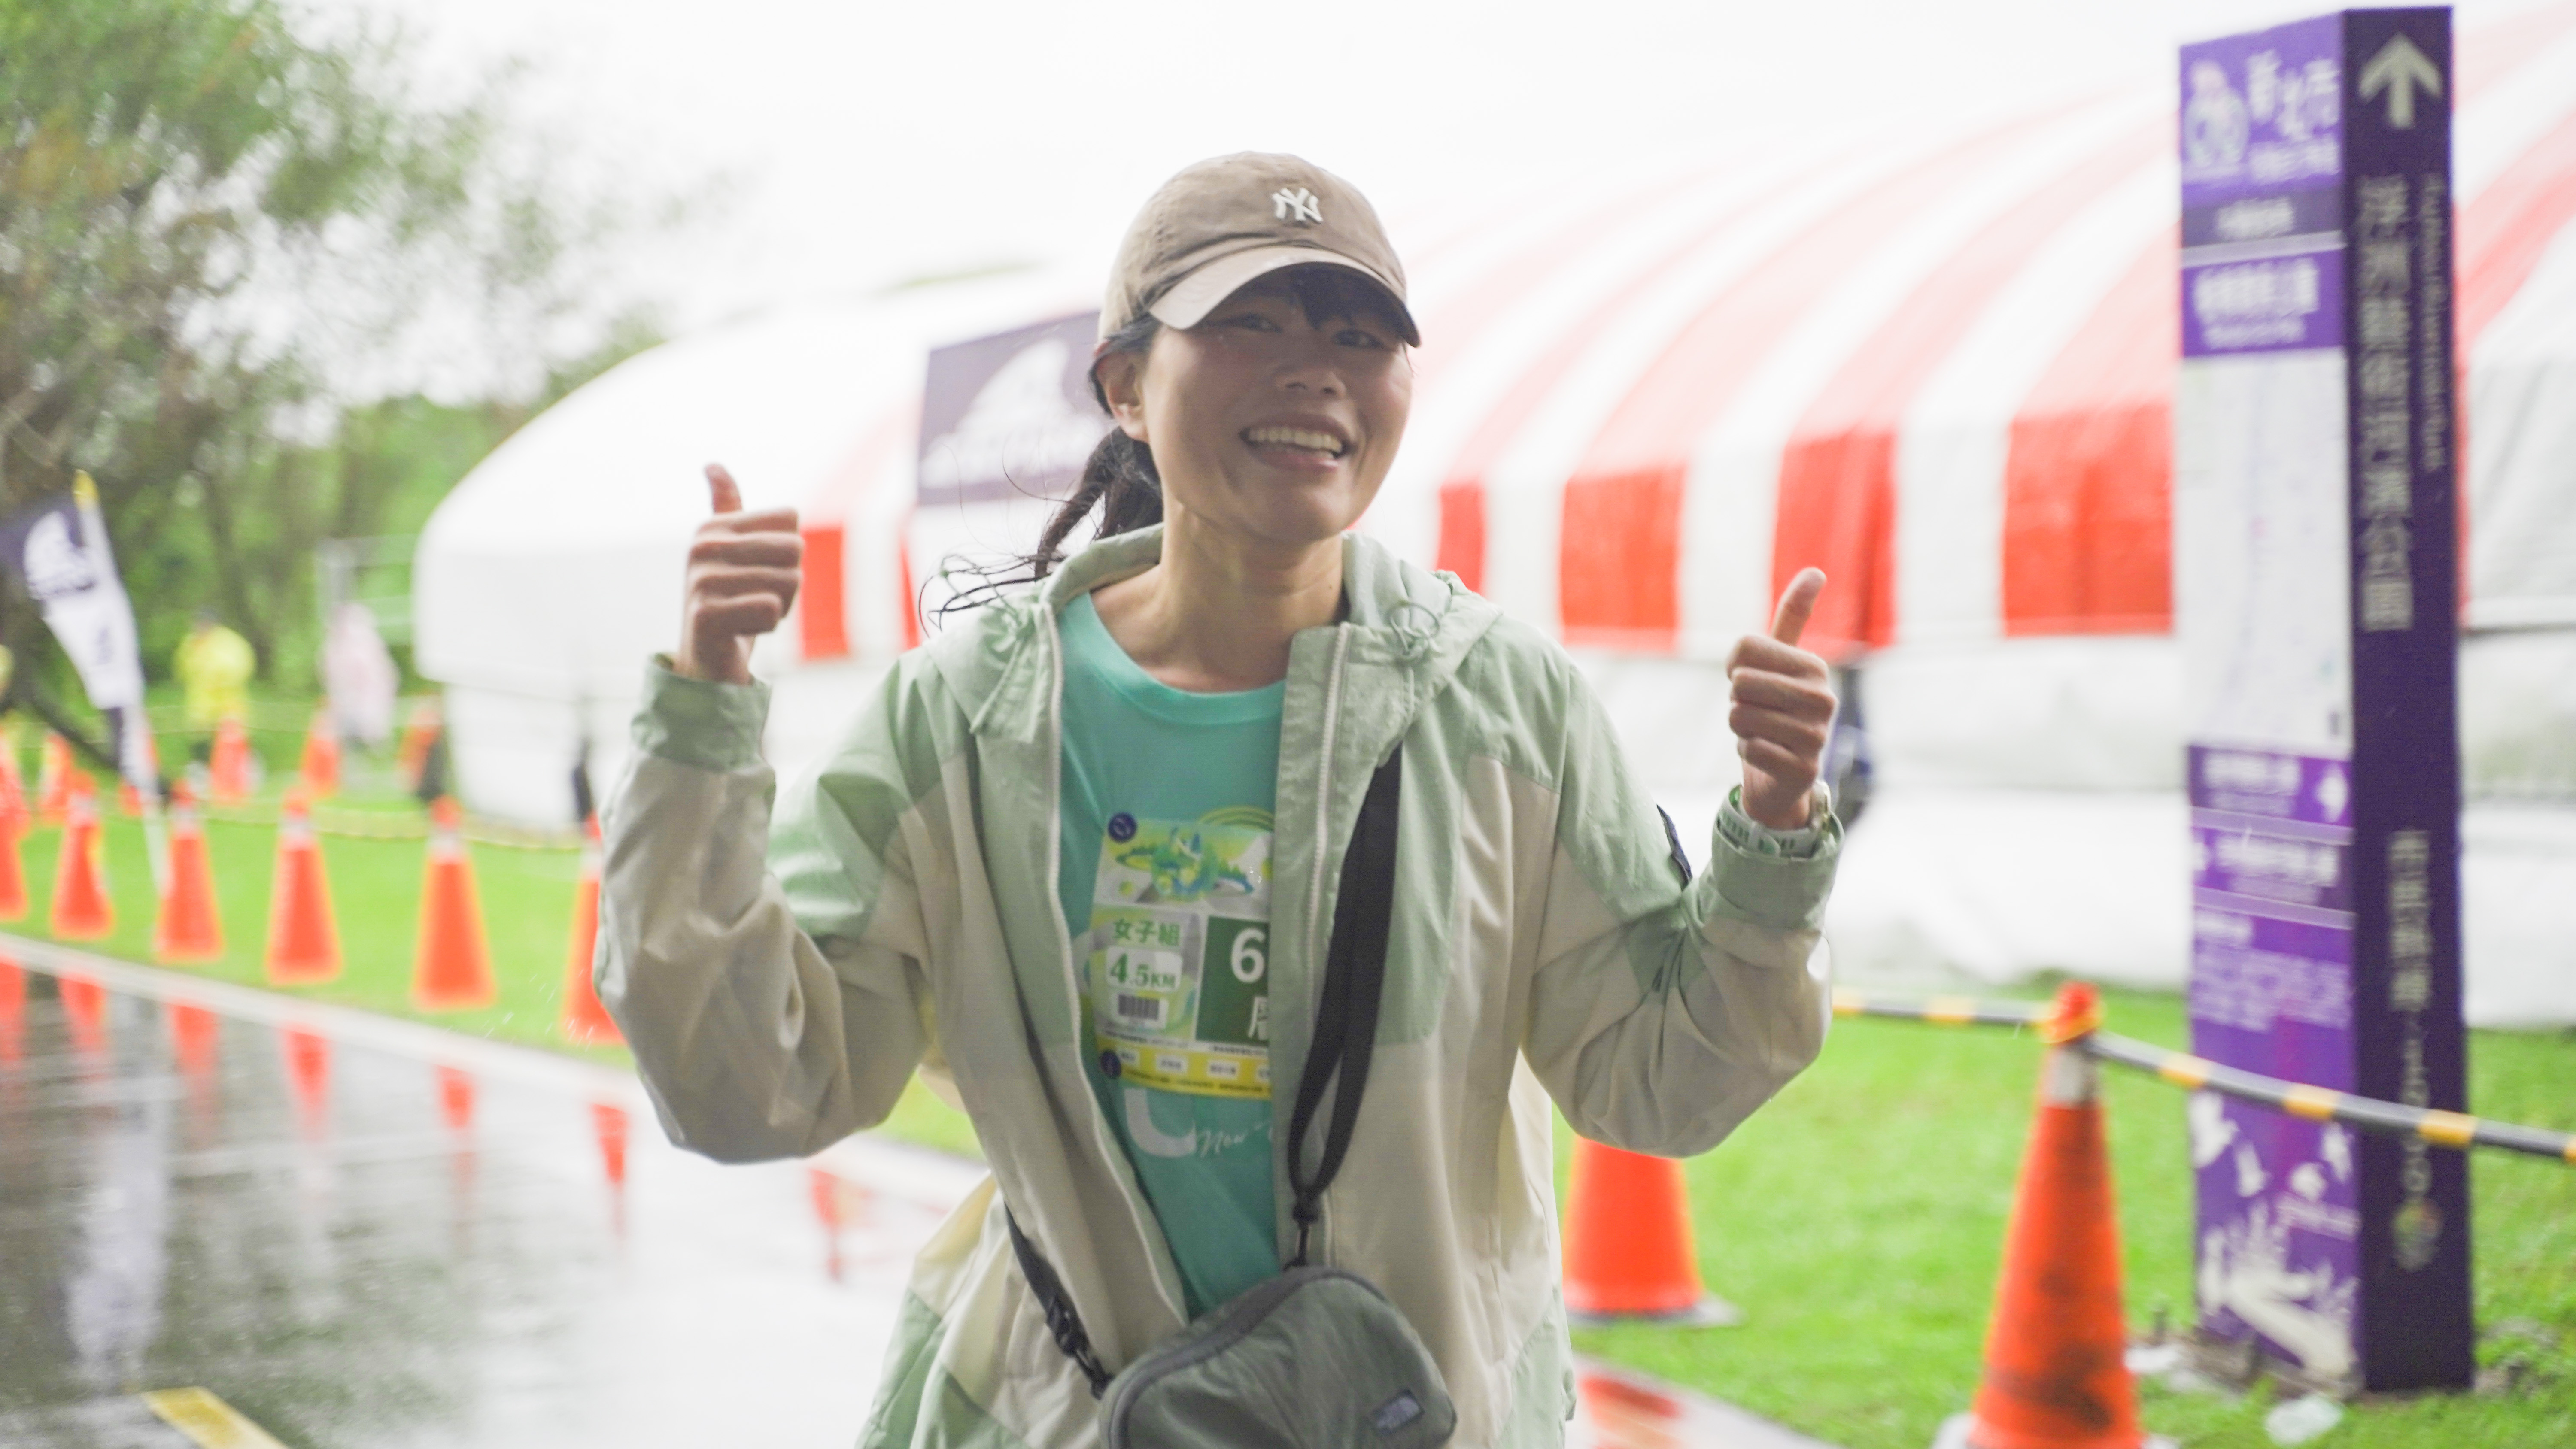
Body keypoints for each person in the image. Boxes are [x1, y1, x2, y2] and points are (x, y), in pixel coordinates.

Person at [599, 153, 1843, 1448]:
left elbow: (1662, 1083)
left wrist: (1770, 832)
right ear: (1124, 386)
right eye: (1250, 322)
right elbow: (752, 1083)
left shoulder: (1500, 706)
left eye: (1359, 337)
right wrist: (701, 715)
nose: (1315, 371)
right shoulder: (965, 719)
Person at [174, 610, 254, 733]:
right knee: (202, 737)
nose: (201, 627)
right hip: (200, 705)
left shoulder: (228, 641)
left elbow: (238, 667)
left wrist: (218, 680)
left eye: (205, 623)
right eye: (199, 624)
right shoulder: (192, 642)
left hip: (227, 703)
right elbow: (183, 666)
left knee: (229, 737)